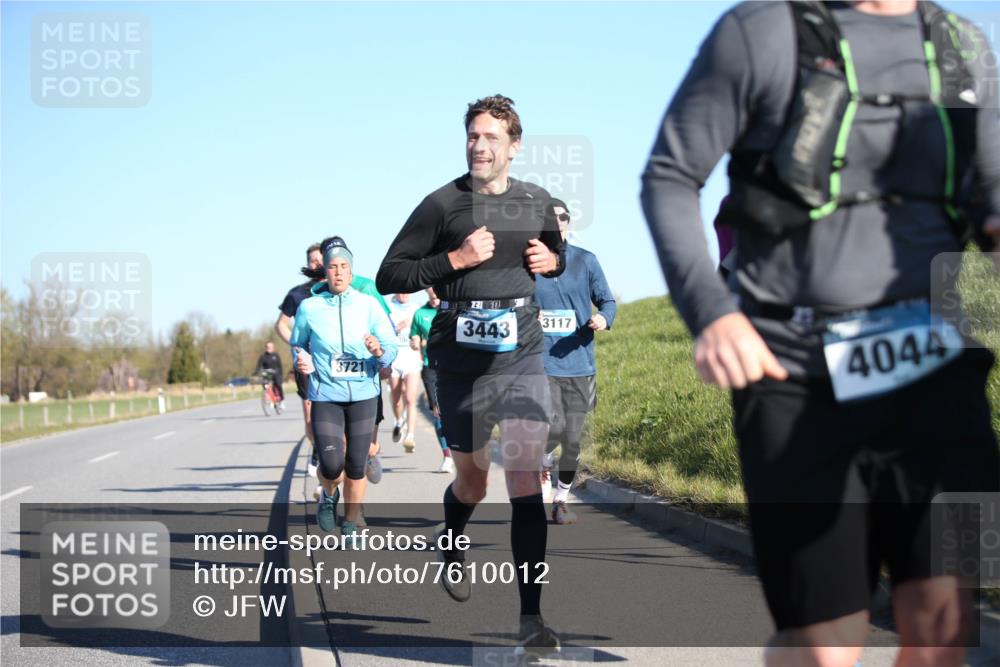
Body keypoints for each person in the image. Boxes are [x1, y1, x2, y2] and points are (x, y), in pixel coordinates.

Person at [641, 2, 1000, 666]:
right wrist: (714, 312)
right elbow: (670, 176)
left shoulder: (959, 45)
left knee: (946, 626)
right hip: (794, 374)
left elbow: (990, 187)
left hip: (935, 365)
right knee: (825, 643)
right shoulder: (760, 32)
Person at [377, 94, 566, 657]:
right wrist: (453, 261)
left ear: (514, 146)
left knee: (525, 477)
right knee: (474, 483)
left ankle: (531, 619)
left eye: (490, 137)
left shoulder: (537, 200)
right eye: (472, 136)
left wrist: (551, 262)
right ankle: (454, 538)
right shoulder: (442, 205)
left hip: (522, 352)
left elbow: (556, 249)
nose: (479, 146)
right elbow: (392, 274)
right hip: (460, 361)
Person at [291, 238, 397, 546]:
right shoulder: (309, 308)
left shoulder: (368, 305)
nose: (338, 272)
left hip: (364, 394)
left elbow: (389, 346)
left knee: (355, 464)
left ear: (351, 273)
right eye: (332, 267)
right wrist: (301, 358)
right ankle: (328, 494)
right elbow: (298, 343)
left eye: (344, 267)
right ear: (324, 272)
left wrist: (380, 351)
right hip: (326, 395)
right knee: (332, 464)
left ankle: (350, 523)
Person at [534, 199, 615, 523]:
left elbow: (607, 301)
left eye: (562, 218)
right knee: (554, 425)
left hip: (580, 362)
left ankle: (561, 498)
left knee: (573, 437)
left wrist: (603, 319)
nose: (558, 224)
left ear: (569, 223)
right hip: (542, 361)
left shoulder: (586, 261)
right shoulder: (529, 265)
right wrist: (529, 313)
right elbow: (514, 303)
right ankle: (541, 460)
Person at [275, 243, 323, 474]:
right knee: (310, 418)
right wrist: (298, 346)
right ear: (308, 265)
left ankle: (329, 457)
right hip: (305, 365)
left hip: (331, 362)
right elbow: (281, 325)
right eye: (313, 261)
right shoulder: (297, 294)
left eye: (320, 259)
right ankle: (317, 451)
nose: (317, 264)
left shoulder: (338, 291)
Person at [409, 287, 455, 473]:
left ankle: (462, 449)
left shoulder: (453, 309)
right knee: (438, 412)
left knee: (458, 411)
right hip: (431, 367)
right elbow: (414, 336)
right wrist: (415, 341)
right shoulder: (420, 313)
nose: (434, 291)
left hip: (455, 366)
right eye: (431, 288)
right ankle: (447, 456)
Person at [387, 292, 422, 452]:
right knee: (396, 399)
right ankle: (398, 420)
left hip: (412, 358)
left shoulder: (416, 309)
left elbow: (424, 333)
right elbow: (383, 332)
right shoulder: (389, 308)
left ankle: (410, 436)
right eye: (400, 291)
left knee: (409, 398)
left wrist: (419, 341)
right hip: (395, 359)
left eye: (407, 291)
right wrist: (397, 327)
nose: (404, 294)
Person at [254, 342, 285, 408]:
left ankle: (282, 401)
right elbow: (259, 366)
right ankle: (269, 398)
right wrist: (256, 372)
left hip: (276, 373)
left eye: (270, 347)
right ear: (265, 348)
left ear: (273, 348)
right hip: (267, 373)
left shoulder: (276, 355)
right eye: (267, 347)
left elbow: (280, 366)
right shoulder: (263, 356)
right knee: (265, 385)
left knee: (278, 385)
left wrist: (281, 375)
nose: (269, 348)